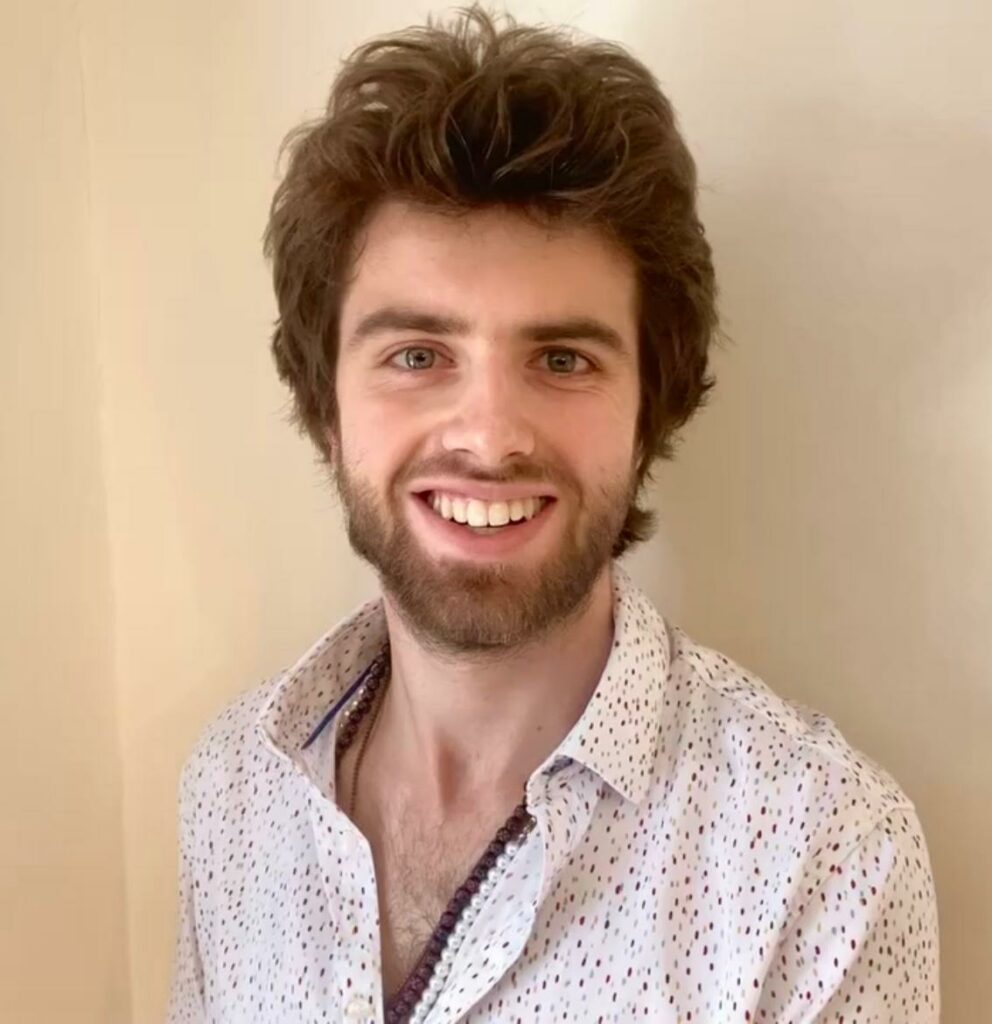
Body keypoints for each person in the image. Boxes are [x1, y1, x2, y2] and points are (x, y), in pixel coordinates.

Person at [167, 6, 938, 1022]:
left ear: (646, 407)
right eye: (415, 355)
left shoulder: (823, 858)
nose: (488, 437)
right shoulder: (231, 790)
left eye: (561, 359)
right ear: (326, 405)